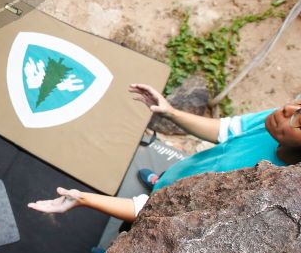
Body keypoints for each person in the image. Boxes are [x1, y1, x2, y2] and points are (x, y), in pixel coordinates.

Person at [29, 83, 301, 222]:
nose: (288, 110)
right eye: (299, 103)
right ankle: (159, 182)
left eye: (299, 120)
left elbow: (150, 211)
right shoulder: (273, 123)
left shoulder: (256, 190)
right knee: (165, 184)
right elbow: (224, 130)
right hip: (181, 177)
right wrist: (170, 112)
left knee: (138, 230)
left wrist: (83, 199)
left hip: (169, 209)